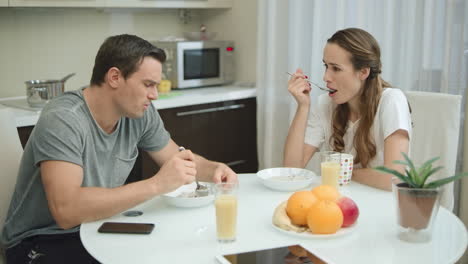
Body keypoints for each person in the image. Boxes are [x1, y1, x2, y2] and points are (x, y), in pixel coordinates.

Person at [1, 34, 237, 263]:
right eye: (148, 84)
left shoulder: (139, 113)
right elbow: (66, 211)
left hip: (98, 226)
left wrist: (214, 169)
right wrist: (156, 184)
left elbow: (177, 159)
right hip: (41, 241)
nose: (154, 95)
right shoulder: (63, 119)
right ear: (114, 77)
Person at [283, 28, 412, 191]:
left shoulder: (391, 101)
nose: (326, 77)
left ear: (363, 72)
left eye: (336, 68)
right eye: (326, 66)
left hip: (381, 207)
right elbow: (291, 171)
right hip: (337, 203)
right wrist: (303, 106)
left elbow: (395, 177)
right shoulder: (325, 104)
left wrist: (341, 171)